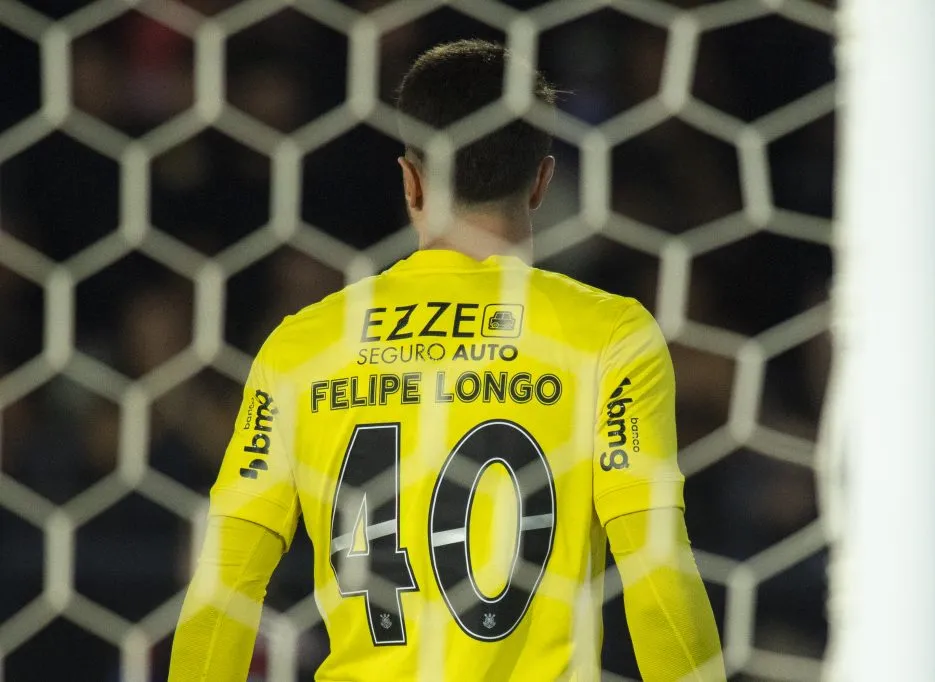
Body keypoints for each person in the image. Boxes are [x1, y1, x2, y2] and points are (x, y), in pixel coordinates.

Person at [168, 39, 725, 681]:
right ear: (542, 180)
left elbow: (225, 586)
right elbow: (659, 574)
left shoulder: (305, 346)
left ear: (409, 180)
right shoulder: (611, 337)